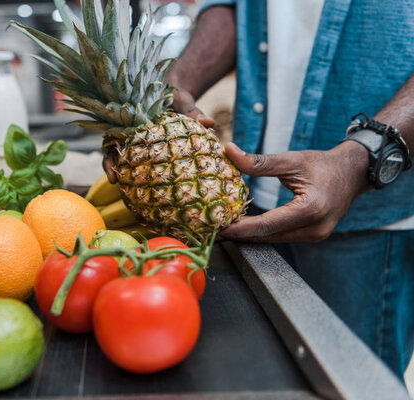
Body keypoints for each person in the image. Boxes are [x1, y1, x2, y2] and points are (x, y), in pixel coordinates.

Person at [154, 0, 414, 379]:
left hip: (367, 217)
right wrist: (175, 83)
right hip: (250, 199)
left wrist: (363, 158)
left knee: (349, 381)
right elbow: (231, 7)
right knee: (265, 376)